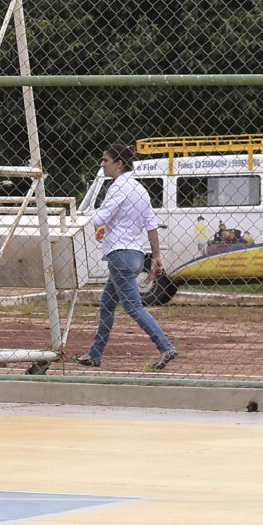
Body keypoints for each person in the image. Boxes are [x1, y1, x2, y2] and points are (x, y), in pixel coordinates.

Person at [76, 141, 178, 371]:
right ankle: (94, 354)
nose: (102, 164)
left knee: (133, 307)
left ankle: (165, 346)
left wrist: (74, 220)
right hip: (134, 255)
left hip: (120, 255)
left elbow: (101, 217)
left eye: (106, 160)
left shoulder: (119, 188)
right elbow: (151, 224)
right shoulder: (140, 190)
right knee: (107, 304)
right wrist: (157, 256)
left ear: (119, 164)